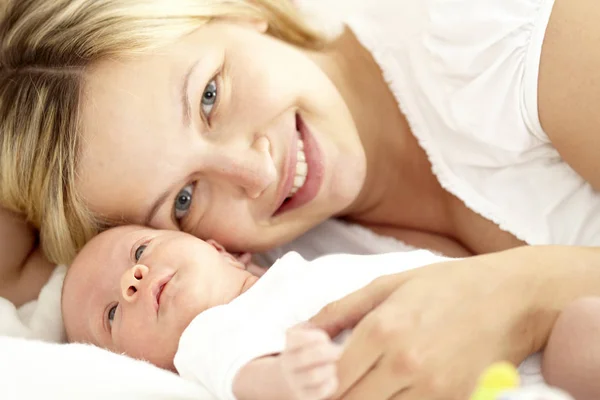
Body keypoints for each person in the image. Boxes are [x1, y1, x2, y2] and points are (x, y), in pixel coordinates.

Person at [2, 0, 600, 398]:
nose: (256, 170)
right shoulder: (292, 271)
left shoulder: (495, 36)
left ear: (236, 14)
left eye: (210, 95)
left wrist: (522, 295)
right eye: (184, 199)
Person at [62, 225, 577, 400]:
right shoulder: (206, 337)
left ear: (217, 247)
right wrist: (288, 377)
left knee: (582, 331)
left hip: (504, 333)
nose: (133, 282)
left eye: (140, 253)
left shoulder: (298, 264)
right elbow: (247, 380)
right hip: (455, 379)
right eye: (110, 315)